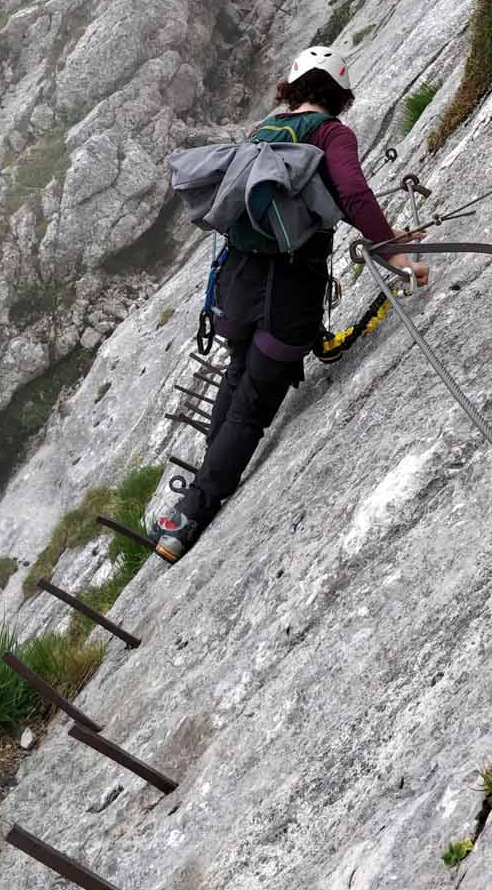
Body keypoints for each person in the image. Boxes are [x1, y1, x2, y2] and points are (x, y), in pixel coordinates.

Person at [155, 46, 429, 563]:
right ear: (337, 94)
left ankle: (192, 501)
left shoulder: (266, 132)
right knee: (253, 404)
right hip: (290, 291)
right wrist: (391, 249)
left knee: (237, 377)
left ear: (295, 87)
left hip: (238, 284)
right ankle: (192, 513)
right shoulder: (331, 134)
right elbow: (353, 194)